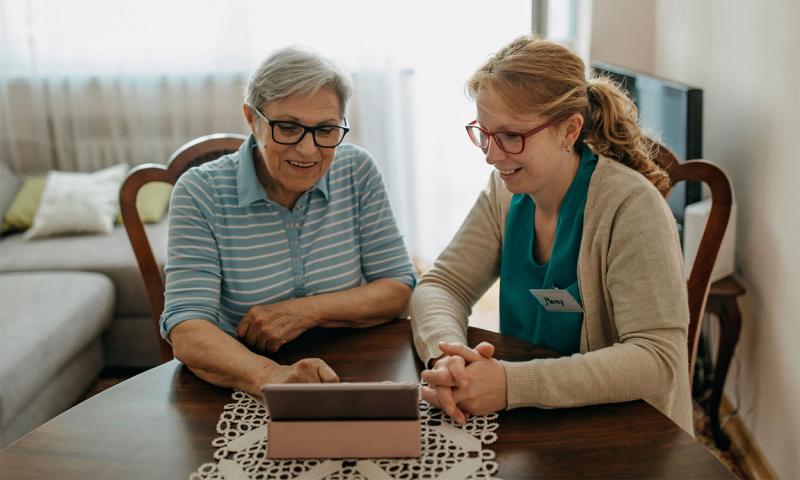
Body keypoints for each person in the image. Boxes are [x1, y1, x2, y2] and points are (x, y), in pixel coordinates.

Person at [411, 36, 693, 434]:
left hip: (628, 432)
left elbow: (656, 360)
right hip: (534, 418)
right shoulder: (504, 192)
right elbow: (442, 285)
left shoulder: (630, 207)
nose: (491, 155)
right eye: (484, 133)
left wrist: (510, 384)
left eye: (512, 136)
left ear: (569, 130)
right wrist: (447, 358)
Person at [161, 46, 417, 395]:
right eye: (288, 127)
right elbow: (188, 330)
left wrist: (304, 312)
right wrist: (273, 377)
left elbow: (399, 288)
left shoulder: (356, 169)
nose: (308, 150)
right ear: (253, 120)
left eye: (325, 130)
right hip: (241, 377)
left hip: (351, 365)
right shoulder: (199, 191)